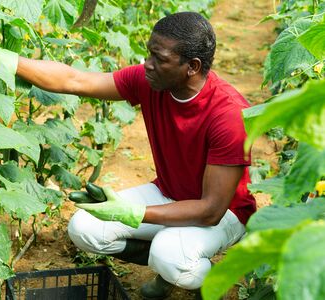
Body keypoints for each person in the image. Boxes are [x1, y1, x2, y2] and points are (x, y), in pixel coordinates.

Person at [15, 11, 256, 299]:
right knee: (85, 228)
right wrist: (7, 61)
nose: (148, 65)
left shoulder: (228, 115)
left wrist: (133, 213)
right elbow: (74, 80)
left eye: (160, 59)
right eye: (148, 54)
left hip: (225, 214)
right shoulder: (150, 81)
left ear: (192, 66)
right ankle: (168, 268)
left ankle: (203, 278)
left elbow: (210, 210)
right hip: (170, 194)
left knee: (170, 253)